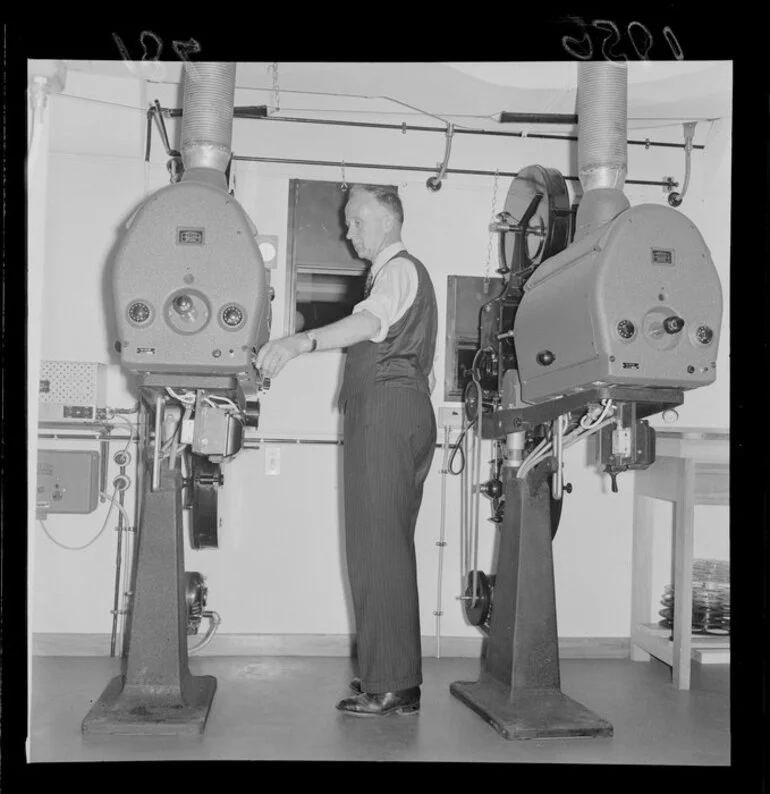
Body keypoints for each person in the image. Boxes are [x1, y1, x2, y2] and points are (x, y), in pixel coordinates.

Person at [255, 184, 438, 717]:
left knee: (376, 548)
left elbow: (370, 322)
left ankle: (393, 684)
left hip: (386, 414)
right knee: (383, 547)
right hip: (393, 412)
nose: (348, 231)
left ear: (386, 218)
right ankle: (392, 678)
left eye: (356, 220)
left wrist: (297, 342)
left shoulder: (400, 270)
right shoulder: (395, 274)